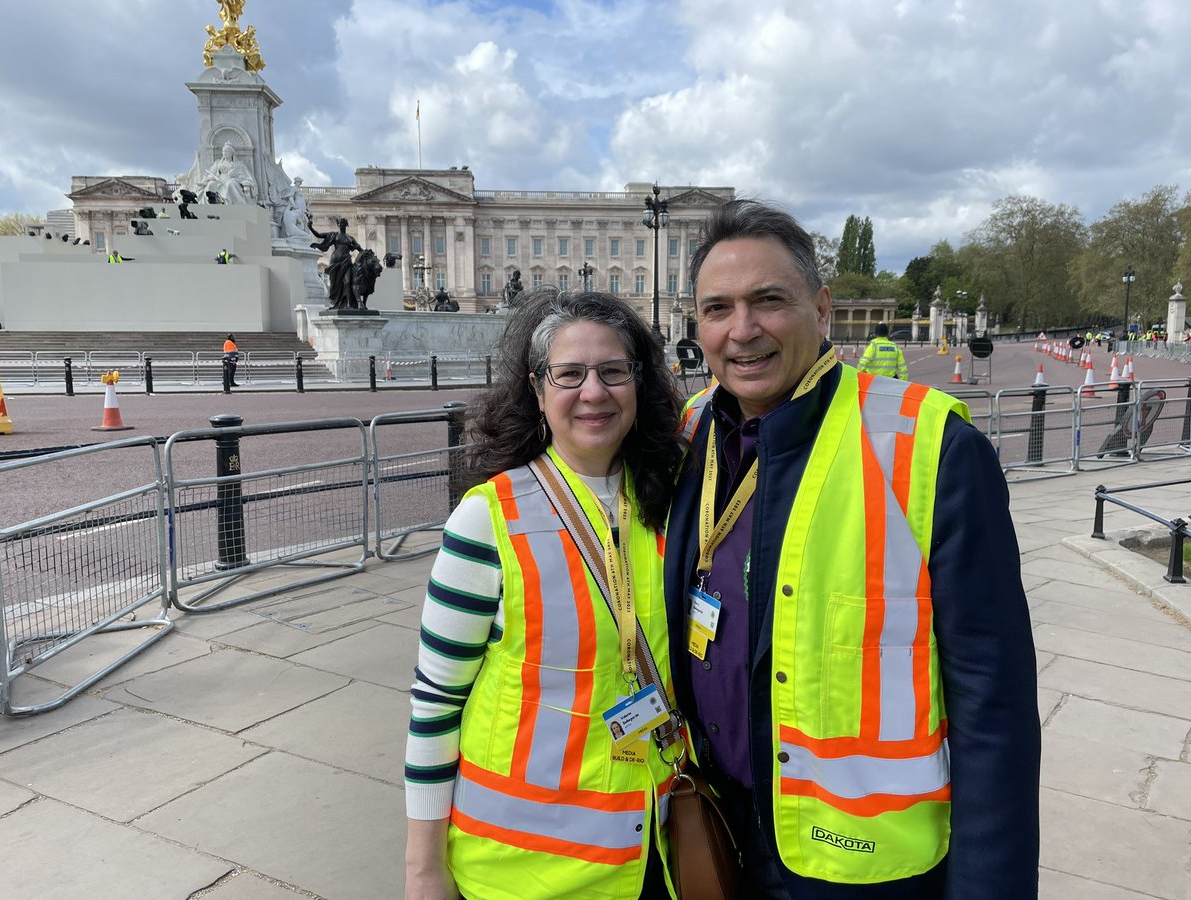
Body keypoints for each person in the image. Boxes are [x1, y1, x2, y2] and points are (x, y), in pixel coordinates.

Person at [663, 199, 1040, 898]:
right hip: (718, 827)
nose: (741, 331)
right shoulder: (692, 430)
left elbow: (995, 708)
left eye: (768, 301)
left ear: (823, 309)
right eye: (717, 309)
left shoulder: (931, 447)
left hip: (860, 860)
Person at [404, 287, 686, 900]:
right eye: (569, 374)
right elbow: (434, 701)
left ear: (640, 383)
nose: (594, 392)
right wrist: (422, 869)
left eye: (614, 371)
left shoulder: (669, 506)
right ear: (537, 389)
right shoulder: (487, 518)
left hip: (649, 851)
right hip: (520, 866)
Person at [309, 217, 362, 310]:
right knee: (334, 283)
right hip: (335, 261)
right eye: (340, 223)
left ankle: (348, 303)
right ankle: (335, 301)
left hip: (346, 260)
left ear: (346, 225)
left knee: (347, 281)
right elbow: (318, 235)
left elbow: (360, 249)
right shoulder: (334, 235)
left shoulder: (350, 238)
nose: (341, 225)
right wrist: (310, 228)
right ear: (338, 225)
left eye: (343, 223)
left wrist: (366, 254)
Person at [197, 141, 256, 206]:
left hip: (232, 180)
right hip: (219, 180)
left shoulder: (238, 165)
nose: (224, 153)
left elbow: (246, 177)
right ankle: (213, 201)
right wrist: (210, 178)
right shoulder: (218, 163)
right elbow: (210, 173)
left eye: (227, 151)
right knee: (211, 184)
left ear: (231, 153)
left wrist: (234, 175)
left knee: (230, 184)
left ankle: (227, 202)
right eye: (223, 151)